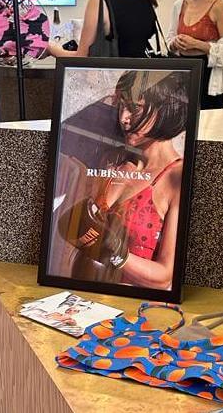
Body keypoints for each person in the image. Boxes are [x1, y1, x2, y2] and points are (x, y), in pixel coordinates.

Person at [57, 71, 188, 290]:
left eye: (135, 109)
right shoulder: (114, 160)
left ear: (165, 110)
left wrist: (116, 255)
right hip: (85, 294)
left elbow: (166, 275)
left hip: (134, 308)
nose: (124, 117)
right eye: (121, 106)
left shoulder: (175, 177)